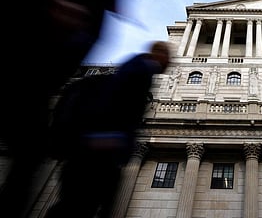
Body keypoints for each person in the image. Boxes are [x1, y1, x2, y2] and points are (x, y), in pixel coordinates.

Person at [0, 0, 152, 218]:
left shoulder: (99, 13)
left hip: (28, 87)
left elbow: (61, 71)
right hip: (14, 60)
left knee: (31, 156)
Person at [44, 40, 170, 218]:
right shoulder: (139, 71)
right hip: (98, 148)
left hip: (100, 149)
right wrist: (109, 137)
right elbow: (116, 104)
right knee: (78, 206)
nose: (169, 63)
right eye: (167, 58)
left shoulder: (138, 70)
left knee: (81, 205)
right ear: (160, 55)